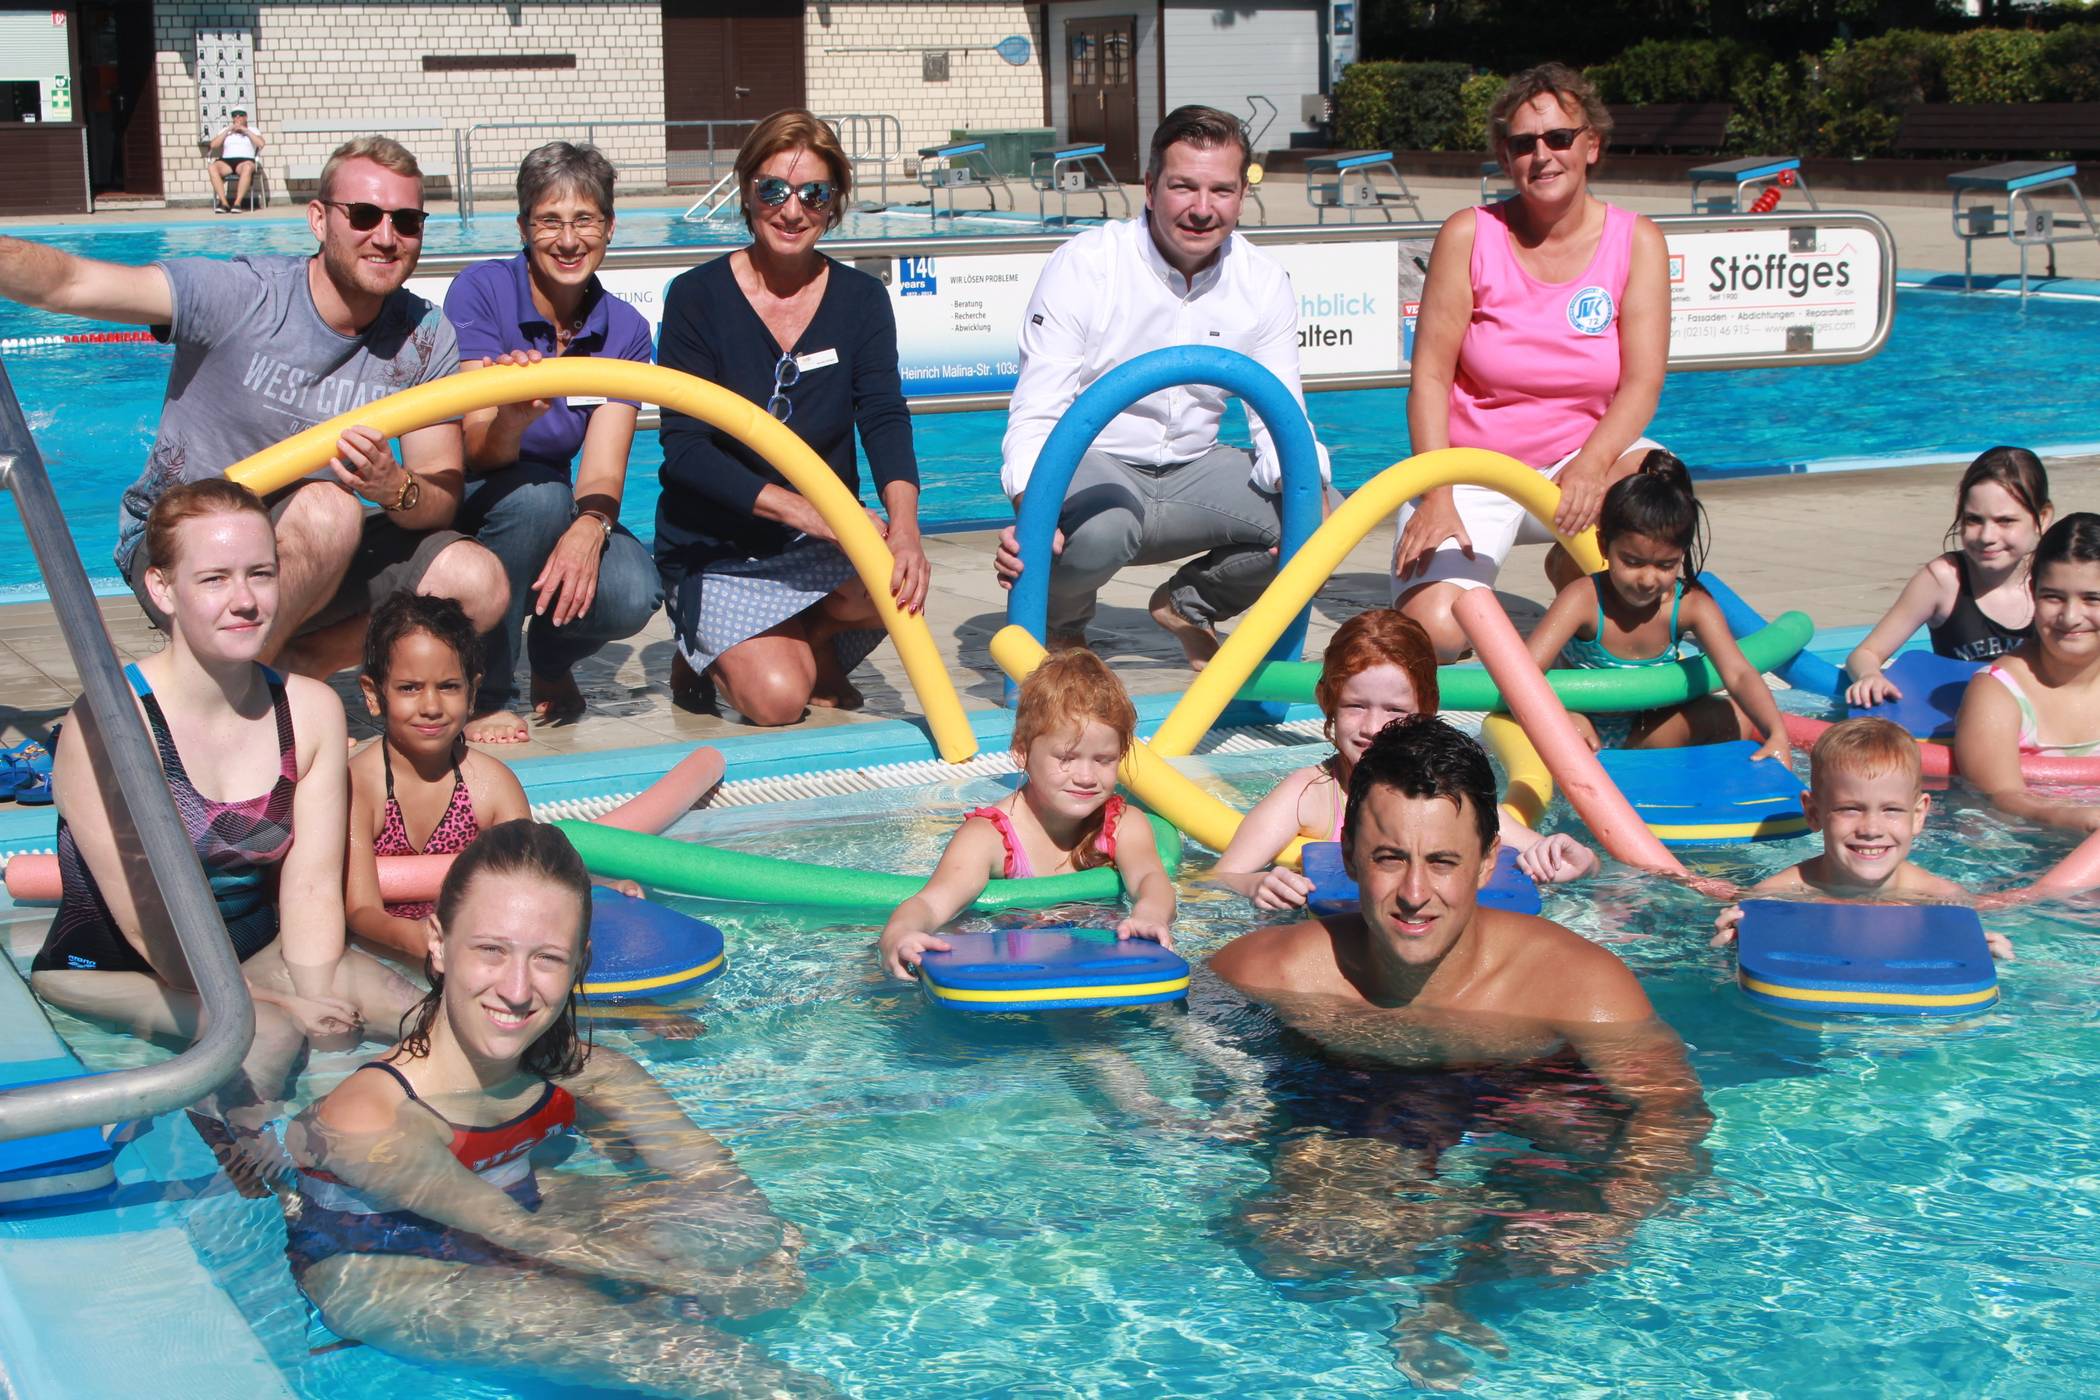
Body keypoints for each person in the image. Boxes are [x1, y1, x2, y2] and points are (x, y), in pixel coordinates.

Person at [1209, 717, 1710, 1384]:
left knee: (1558, 1238)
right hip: (1367, 1096)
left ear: (1487, 861)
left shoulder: (1577, 985)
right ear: (1350, 854)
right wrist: (1239, 1098)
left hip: (1528, 1091)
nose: (1415, 894)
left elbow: (1672, 1109)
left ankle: (1458, 1294)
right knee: (1296, 1248)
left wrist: (1617, 1207)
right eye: (1390, 858)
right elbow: (1188, 1029)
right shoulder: (1274, 970)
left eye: (1443, 860)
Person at [284, 820, 826, 1395]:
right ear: (438, 944)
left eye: (546, 958)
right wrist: (689, 1280)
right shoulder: (372, 1116)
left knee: (742, 1235)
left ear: (579, 963)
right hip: (385, 1267)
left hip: (520, 1216)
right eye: (491, 950)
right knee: (682, 1355)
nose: (517, 989)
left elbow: (713, 1177)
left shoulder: (591, 1071)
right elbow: (513, 1231)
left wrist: (761, 1248)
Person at [0, 134, 507, 679]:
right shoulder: (245, 295)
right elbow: (71, 284)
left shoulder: (424, 336)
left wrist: (393, 487)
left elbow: (437, 502)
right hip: (185, 542)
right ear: (319, 220)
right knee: (328, 509)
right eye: (364, 215)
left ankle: (290, 666)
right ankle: (231, 696)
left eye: (406, 222)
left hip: (314, 556)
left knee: (475, 581)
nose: (386, 237)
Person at [30, 482, 421, 1141]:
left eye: (260, 574)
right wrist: (282, 1003)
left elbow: (311, 887)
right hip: (119, 967)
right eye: (214, 579)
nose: (244, 600)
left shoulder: (309, 710)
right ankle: (248, 1199)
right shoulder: (111, 725)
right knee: (263, 1036)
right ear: (162, 589)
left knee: (421, 1016)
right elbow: (147, 922)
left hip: (254, 946)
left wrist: (318, 988)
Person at [991, 104, 1331, 670]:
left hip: (1194, 471)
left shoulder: (1263, 282)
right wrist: (1035, 508)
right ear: (1149, 189)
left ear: (1241, 197)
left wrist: (1307, 490)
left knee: (1321, 518)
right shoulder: (1086, 266)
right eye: (1183, 187)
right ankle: (1063, 627)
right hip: (1096, 468)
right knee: (1104, 529)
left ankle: (1188, 604)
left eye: (1221, 190)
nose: (1202, 209)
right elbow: (1036, 413)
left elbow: (1280, 420)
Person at [656, 109, 928, 726]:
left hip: (814, 542)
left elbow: (883, 415)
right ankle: (707, 647)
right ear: (746, 192)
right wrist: (820, 512)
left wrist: (907, 527)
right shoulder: (696, 297)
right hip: (718, 547)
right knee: (779, 701)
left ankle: (810, 636)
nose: (792, 209)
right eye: (773, 189)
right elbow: (687, 450)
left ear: (835, 204)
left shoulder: (861, 300)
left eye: (814, 193)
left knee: (897, 576)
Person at [1395, 63, 1671, 661]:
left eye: (1558, 138)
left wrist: (1594, 465)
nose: (1541, 155)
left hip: (1580, 461)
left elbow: (1643, 382)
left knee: (1661, 495)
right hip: (1473, 467)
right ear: (1504, 155)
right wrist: (1437, 493)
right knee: (1436, 635)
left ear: (1591, 144)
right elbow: (1430, 378)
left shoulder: (1636, 241)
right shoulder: (1469, 235)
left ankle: (1572, 574)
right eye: (1523, 143)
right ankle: (1464, 603)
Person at [443, 142, 663, 743]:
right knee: (537, 498)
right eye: (550, 221)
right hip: (474, 496)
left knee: (633, 589)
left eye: (585, 220)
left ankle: (549, 660)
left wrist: (588, 529)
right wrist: (514, 417)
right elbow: (477, 449)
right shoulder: (482, 290)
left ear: (610, 227)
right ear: (523, 227)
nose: (569, 240)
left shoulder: (625, 328)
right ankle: (487, 691)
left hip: (550, 500)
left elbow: (604, 464)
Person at [1214, 607, 1597, 909]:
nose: (1373, 727)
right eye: (1355, 706)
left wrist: (1576, 859)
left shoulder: (1448, 791)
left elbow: (1551, 858)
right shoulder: (1310, 795)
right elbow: (1219, 877)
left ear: (1427, 709)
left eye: (1395, 711)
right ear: (1328, 704)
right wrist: (1257, 884)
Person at [879, 650, 1174, 978]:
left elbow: (1150, 878)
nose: (1087, 776)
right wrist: (899, 934)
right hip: (1007, 969)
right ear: (1021, 751)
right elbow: (932, 903)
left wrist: (1150, 915)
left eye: (1103, 759)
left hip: (1093, 967)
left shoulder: (1121, 824)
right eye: (1067, 757)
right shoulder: (989, 838)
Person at [1523, 451, 1789, 760]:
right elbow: (1523, 671)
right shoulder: (1583, 599)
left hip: (1646, 732)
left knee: (1735, 718)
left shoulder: (1691, 606)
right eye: (1633, 562)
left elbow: (1739, 674)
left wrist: (1777, 733)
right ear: (1603, 545)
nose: (1648, 579)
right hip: (1575, 727)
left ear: (1681, 555)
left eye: (1665, 565)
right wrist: (1560, 718)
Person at [1712, 718, 2012, 957]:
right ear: (1813, 812)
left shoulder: (1945, 902)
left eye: (1891, 810)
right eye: (1850, 809)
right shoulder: (1771, 897)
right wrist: (1727, 949)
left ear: (1918, 814)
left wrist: (1990, 960)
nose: (1871, 829)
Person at [346, 592, 530, 964]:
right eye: (409, 688)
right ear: (373, 694)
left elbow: (530, 882)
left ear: (473, 691)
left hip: (471, 954)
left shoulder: (492, 786)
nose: (431, 707)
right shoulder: (358, 788)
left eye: (449, 687)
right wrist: (413, 938)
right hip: (383, 954)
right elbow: (360, 910)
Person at [1844, 447, 2052, 705]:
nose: (1987, 536)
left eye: (2005, 521)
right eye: (1974, 520)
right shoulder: (1944, 581)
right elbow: (1865, 652)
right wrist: (1869, 675)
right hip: (1957, 723)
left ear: (2042, 518)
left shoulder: (2056, 580)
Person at [1953, 513, 2100, 832]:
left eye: (2092, 599)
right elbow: (1997, 799)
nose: (2071, 616)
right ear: (2032, 591)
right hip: (2030, 852)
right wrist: (2075, 818)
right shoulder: (1998, 692)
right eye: (2054, 597)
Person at [208, 107, 266, 213]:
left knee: (247, 167)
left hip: (245, 161)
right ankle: (224, 203)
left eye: (240, 114)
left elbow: (261, 144)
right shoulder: (226, 131)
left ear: (246, 117)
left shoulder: (253, 130)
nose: (237, 117)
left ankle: (237, 203)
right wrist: (228, 130)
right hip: (227, 161)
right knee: (212, 167)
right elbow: (213, 145)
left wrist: (246, 131)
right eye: (234, 115)